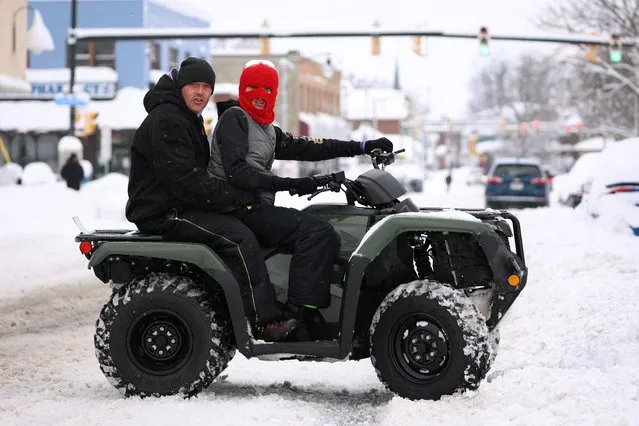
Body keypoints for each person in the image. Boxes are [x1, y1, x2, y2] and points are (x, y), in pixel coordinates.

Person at [208, 59, 394, 341]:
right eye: (253, 88)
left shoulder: (267, 130)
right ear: (242, 89)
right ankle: (297, 316)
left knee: (317, 220)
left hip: (254, 207)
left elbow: (310, 147)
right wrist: (293, 184)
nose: (260, 95)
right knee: (316, 231)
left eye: (267, 89)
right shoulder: (234, 119)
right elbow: (237, 173)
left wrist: (363, 146)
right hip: (236, 209)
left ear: (275, 93)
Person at [125, 57, 297, 342]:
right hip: (163, 211)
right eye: (194, 85)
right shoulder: (166, 120)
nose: (200, 93)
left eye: (206, 87)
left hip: (179, 204)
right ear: (180, 86)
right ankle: (264, 321)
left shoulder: (184, 117)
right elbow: (188, 181)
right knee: (238, 238)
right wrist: (237, 198)